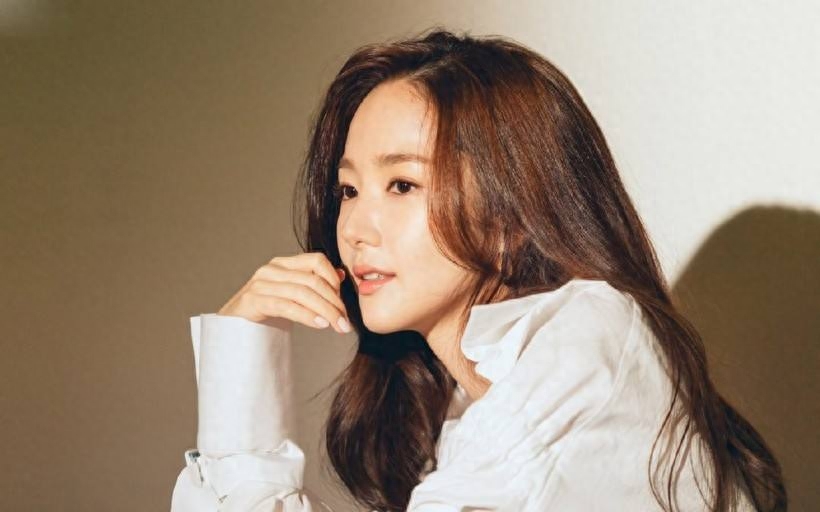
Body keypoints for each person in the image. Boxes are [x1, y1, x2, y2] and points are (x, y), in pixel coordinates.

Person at [169, 28, 786, 511]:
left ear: (511, 212)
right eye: (349, 191)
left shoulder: (588, 344)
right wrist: (241, 342)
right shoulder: (462, 411)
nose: (354, 228)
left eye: (403, 184)